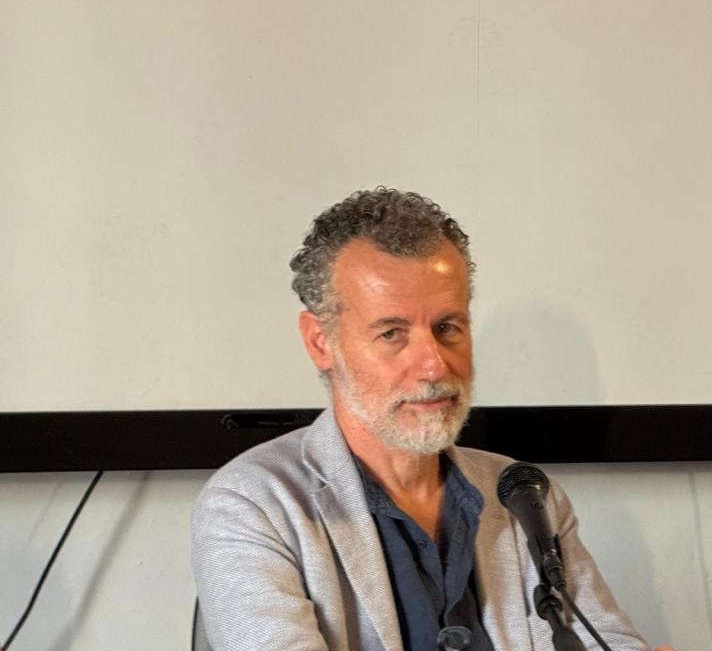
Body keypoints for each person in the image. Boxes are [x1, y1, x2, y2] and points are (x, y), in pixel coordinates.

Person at [192, 188, 668, 651]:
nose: (434, 366)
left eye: (447, 328)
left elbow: (601, 639)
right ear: (321, 342)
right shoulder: (251, 504)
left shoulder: (522, 493)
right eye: (392, 333)